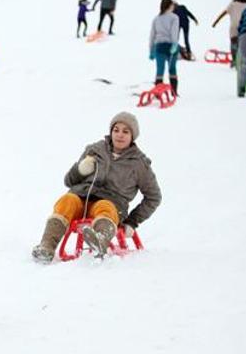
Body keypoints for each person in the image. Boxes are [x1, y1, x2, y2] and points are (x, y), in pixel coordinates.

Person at [32, 112, 161, 262]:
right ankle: (46, 246)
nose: (120, 135)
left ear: (133, 136)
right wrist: (80, 170)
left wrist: (132, 221)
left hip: (112, 205)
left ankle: (99, 240)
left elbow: (154, 197)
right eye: (116, 130)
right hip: (82, 199)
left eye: (126, 132)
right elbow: (69, 181)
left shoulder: (139, 164)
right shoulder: (95, 150)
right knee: (67, 200)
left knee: (104, 206)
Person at [149, 0, 180, 95]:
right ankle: (174, 92)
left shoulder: (156, 19)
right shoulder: (174, 17)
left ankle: (158, 93)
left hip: (159, 47)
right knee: (172, 69)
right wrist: (175, 44)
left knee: (159, 70)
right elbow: (174, 32)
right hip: (171, 46)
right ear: (170, 6)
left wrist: (151, 50)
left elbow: (152, 36)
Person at [212, 0, 246, 68]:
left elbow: (224, 13)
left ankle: (234, 61)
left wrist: (216, 22)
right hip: (243, 27)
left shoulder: (233, 4)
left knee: (233, 44)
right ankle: (242, 61)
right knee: (241, 45)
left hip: (233, 27)